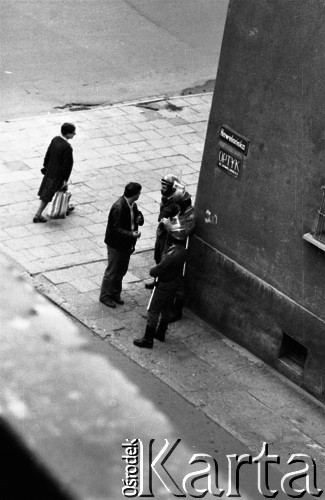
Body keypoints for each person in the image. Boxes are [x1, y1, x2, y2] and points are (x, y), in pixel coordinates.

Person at [133, 232, 187, 349]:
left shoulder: (170, 255)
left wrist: (153, 270)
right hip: (173, 284)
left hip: (163, 285)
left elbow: (156, 271)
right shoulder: (183, 250)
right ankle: (161, 332)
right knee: (166, 308)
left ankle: (148, 339)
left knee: (154, 310)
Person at [99, 182, 144, 308]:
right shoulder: (118, 207)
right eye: (139, 192)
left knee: (122, 270)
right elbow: (115, 228)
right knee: (112, 270)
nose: (140, 194)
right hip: (116, 244)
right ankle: (105, 295)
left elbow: (138, 214)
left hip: (126, 244)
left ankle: (115, 293)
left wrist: (139, 218)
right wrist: (131, 234)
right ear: (134, 194)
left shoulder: (132, 205)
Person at [33, 122, 76, 223]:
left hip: (50, 172)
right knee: (47, 195)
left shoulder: (55, 139)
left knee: (60, 191)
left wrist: (45, 166)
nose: (74, 134)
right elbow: (67, 165)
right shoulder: (67, 147)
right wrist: (65, 179)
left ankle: (66, 207)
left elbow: (48, 153)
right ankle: (38, 214)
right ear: (68, 134)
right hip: (58, 176)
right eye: (73, 133)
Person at [144, 174, 181, 290]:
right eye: (162, 186)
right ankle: (157, 280)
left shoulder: (175, 202)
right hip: (161, 232)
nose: (162, 189)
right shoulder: (165, 198)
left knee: (163, 259)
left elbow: (177, 222)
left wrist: (168, 224)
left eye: (165, 187)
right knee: (157, 257)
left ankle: (159, 282)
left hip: (168, 235)